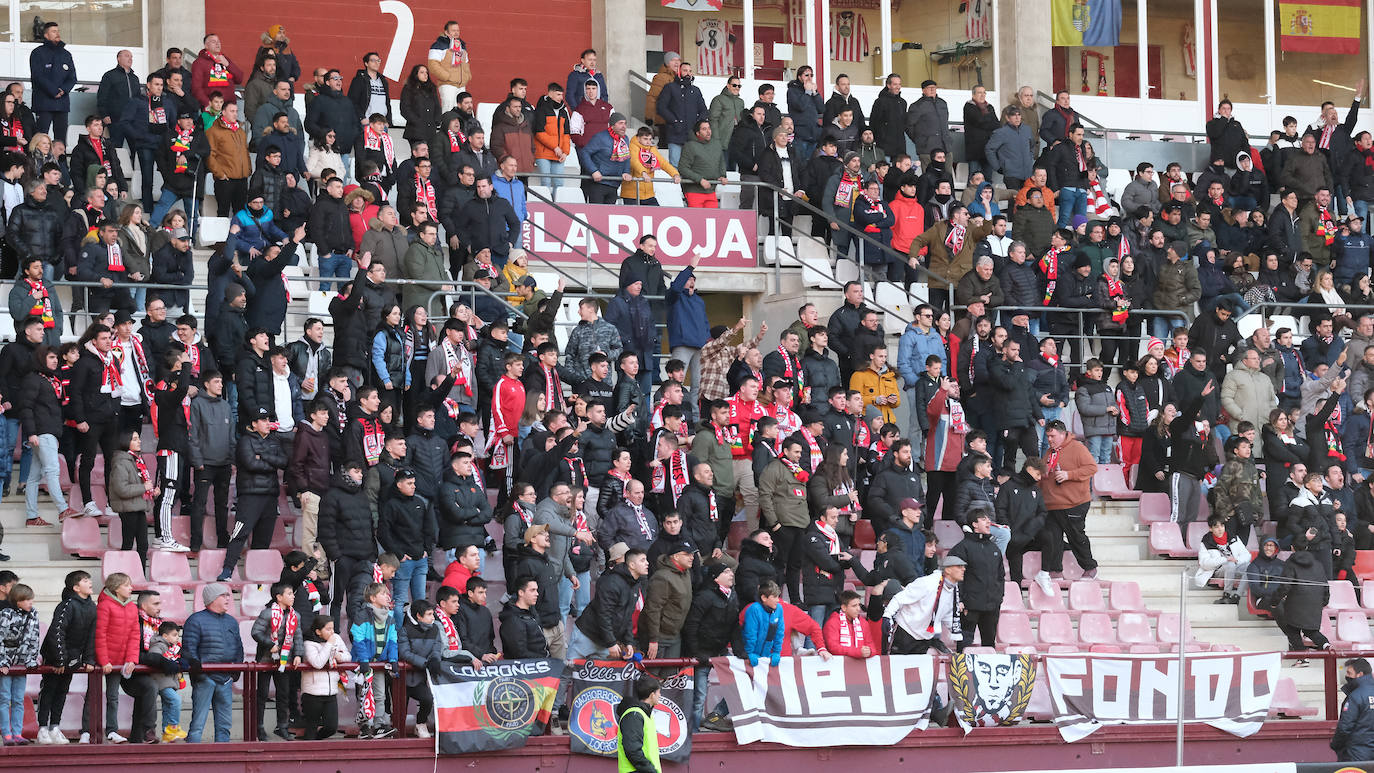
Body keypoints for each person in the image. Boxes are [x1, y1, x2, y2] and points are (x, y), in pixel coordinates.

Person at [1037, 420, 1098, 592]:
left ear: (1063, 434)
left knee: (1075, 536)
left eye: (1052, 436)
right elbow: (1043, 476)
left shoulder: (1077, 448)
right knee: (1053, 539)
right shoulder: (1049, 452)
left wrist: (1069, 475)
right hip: (1051, 504)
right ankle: (1055, 570)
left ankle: (1090, 568)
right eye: (1047, 436)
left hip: (1074, 502)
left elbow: (1092, 468)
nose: (1049, 439)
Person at [184, 583, 244, 743]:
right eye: (223, 595)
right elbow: (189, 648)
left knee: (225, 725)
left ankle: (224, 763)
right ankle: (191, 760)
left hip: (226, 679)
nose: (228, 598)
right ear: (212, 598)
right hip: (205, 679)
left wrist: (235, 671)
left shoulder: (232, 621)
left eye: (228, 595)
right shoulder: (195, 620)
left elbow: (239, 647)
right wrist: (199, 673)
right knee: (198, 723)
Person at [250, 581, 303, 741]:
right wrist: (270, 644)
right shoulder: (267, 613)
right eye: (289, 594)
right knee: (262, 695)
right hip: (266, 660)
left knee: (284, 694)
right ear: (279, 597)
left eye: (293, 593)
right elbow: (255, 632)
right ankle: (258, 727)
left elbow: (298, 636)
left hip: (284, 661)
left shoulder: (296, 615)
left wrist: (299, 654)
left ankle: (282, 726)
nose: (293, 596)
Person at [884, 554, 966, 655]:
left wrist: (958, 635)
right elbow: (900, 598)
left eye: (963, 566)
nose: (963, 569)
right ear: (948, 570)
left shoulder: (953, 590)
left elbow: (948, 615)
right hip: (906, 631)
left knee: (917, 669)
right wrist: (887, 616)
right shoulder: (927, 583)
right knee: (897, 667)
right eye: (959, 567)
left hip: (925, 637)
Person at [300, 614, 349, 740]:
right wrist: (329, 645)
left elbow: (348, 656)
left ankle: (316, 741)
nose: (332, 632)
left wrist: (339, 656)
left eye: (332, 628)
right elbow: (317, 663)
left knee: (331, 727)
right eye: (328, 629)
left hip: (331, 691)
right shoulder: (309, 643)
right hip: (313, 693)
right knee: (311, 727)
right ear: (318, 631)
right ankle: (308, 752)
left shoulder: (336, 638)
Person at [1194, 515, 1251, 604]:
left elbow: (1247, 555)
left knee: (1251, 567)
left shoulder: (1233, 537)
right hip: (1217, 570)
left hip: (1234, 566)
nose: (1220, 529)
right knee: (1230, 564)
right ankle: (1226, 594)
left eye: (1222, 526)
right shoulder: (1206, 541)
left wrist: (1237, 560)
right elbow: (1204, 563)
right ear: (1210, 529)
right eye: (1216, 527)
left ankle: (1237, 596)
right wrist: (1225, 559)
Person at [617, 676, 663, 773]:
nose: (660, 695)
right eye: (658, 692)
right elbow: (632, 750)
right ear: (652, 695)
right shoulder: (634, 715)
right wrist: (650, 770)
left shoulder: (644, 714)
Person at [1333, 658, 1374, 761]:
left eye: (1349, 673)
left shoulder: (1356, 696)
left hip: (1356, 754)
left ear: (1359, 674)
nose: (1347, 676)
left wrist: (1335, 745)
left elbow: (1345, 727)